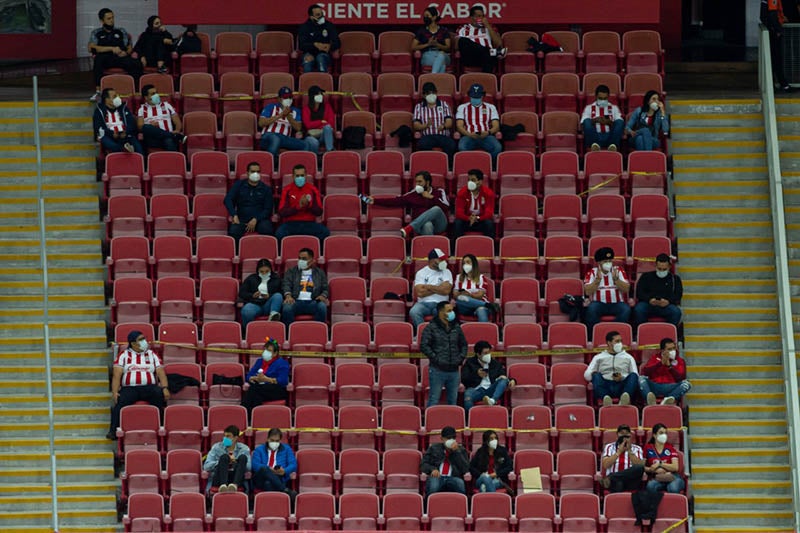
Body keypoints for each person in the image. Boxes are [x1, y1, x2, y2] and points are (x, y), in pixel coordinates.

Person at [108, 330, 169, 440]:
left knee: (158, 395)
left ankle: (161, 427)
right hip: (130, 389)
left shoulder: (151, 354)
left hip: (149, 388)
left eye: (143, 338)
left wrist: (165, 388)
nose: (144, 341)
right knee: (119, 404)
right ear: (133, 343)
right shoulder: (124, 355)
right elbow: (117, 375)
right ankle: (113, 431)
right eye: (140, 339)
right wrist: (115, 392)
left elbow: (161, 372)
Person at [364, 170, 450, 239]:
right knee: (427, 224)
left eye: (420, 182)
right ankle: (429, 253)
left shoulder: (439, 191)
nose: (417, 184)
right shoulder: (413, 194)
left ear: (427, 183)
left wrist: (431, 197)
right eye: (416, 182)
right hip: (421, 226)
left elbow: (446, 207)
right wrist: (375, 201)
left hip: (439, 224)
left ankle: (409, 228)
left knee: (436, 209)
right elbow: (396, 201)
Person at [88, 8, 142, 102]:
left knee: (136, 63)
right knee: (98, 60)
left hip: (120, 57)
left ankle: (135, 90)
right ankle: (98, 91)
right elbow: (91, 48)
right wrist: (111, 49)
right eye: (108, 18)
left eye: (112, 18)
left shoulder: (121, 31)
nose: (112, 20)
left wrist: (126, 52)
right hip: (105, 58)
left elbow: (129, 46)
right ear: (102, 20)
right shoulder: (96, 33)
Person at [421, 301, 468, 407]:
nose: (452, 313)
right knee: (434, 399)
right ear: (441, 312)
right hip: (437, 370)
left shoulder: (456, 327)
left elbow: (464, 344)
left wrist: (460, 358)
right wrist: (436, 359)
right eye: (449, 311)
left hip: (454, 370)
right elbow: (424, 346)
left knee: (453, 400)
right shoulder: (431, 328)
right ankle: (430, 422)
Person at [275, 164, 330, 242]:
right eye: (297, 176)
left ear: (305, 175)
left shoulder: (313, 189)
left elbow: (319, 211)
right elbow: (282, 212)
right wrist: (298, 207)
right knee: (279, 233)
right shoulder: (287, 190)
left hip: (309, 223)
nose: (300, 178)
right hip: (291, 224)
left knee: (325, 232)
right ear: (293, 176)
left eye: (302, 175)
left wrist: (308, 206)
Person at [584, 247, 631, 334]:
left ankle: (615, 332)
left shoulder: (619, 270)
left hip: (617, 303)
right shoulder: (592, 272)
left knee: (626, 309)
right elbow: (587, 291)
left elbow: (626, 289)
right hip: (598, 303)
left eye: (610, 261)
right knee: (591, 309)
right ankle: (597, 334)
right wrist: (597, 280)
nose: (608, 263)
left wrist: (616, 280)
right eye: (605, 261)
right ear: (598, 262)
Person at [584, 330, 638, 406]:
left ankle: (624, 399)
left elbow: (635, 375)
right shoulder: (599, 357)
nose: (620, 344)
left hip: (621, 385)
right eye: (617, 341)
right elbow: (586, 375)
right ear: (609, 343)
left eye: (621, 341)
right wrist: (592, 373)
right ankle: (606, 399)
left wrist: (622, 377)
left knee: (633, 376)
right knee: (596, 375)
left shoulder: (628, 357)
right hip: (605, 385)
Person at [224, 161, 274, 241]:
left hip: (260, 220)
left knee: (267, 229)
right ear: (247, 173)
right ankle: (237, 252)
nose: (255, 174)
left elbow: (268, 209)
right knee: (234, 231)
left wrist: (256, 219)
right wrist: (234, 215)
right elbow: (227, 199)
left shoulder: (266, 189)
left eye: (258, 171)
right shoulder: (239, 185)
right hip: (241, 219)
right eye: (253, 171)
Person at [455, 84, 502, 164]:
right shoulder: (462, 107)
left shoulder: (491, 107)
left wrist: (488, 132)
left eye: (477, 97)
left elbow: (496, 126)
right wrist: (469, 134)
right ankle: (471, 164)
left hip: (486, 135)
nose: (475, 99)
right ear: (470, 96)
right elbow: (459, 126)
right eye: (474, 97)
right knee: (461, 147)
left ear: (482, 96)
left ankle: (487, 164)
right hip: (468, 135)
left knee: (497, 148)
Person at [461, 340, 514, 411]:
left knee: (503, 380)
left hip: (491, 389)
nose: (488, 355)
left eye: (489, 352)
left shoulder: (495, 363)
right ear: (478, 354)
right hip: (476, 389)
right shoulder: (470, 363)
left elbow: (503, 375)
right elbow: (464, 378)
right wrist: (477, 374)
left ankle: (492, 400)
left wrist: (512, 380)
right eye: (485, 353)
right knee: (467, 396)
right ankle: (470, 419)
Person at [633, 253, 683, 327]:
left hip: (666, 305)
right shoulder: (646, 276)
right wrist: (649, 300)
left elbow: (678, 294)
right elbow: (639, 292)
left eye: (664, 269)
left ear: (669, 267)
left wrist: (668, 301)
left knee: (676, 312)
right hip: (648, 304)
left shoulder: (675, 279)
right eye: (659, 269)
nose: (662, 271)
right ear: (655, 265)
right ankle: (643, 331)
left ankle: (669, 332)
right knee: (639, 309)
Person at [259, 87, 311, 157]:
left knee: (305, 144)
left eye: (290, 97)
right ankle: (270, 164)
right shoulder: (270, 107)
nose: (288, 99)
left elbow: (298, 128)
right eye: (285, 97)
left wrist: (288, 115)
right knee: (275, 139)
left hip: (285, 138)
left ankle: (298, 165)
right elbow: (261, 123)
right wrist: (281, 115)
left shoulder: (296, 111)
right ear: (279, 99)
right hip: (268, 135)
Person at [281, 247, 329, 324]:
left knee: (322, 307)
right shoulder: (291, 271)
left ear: (312, 260)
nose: (301, 261)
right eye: (299, 258)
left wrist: (323, 296)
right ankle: (288, 333)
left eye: (304, 259)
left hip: (313, 301)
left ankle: (319, 332)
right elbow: (286, 284)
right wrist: (288, 295)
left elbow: (325, 288)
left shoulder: (320, 273)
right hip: (295, 301)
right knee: (287, 308)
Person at [242, 337, 289, 413]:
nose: (266, 352)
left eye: (269, 351)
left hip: (276, 390)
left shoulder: (282, 363)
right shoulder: (259, 361)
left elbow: (283, 381)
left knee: (254, 389)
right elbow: (249, 375)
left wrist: (266, 379)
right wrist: (253, 378)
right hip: (259, 389)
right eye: (265, 350)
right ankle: (252, 417)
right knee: (257, 396)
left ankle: (243, 411)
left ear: (275, 353)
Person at [410, 248, 454, 329]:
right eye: (441, 260)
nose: (444, 262)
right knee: (414, 311)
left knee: (443, 313)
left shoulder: (447, 272)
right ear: (433, 260)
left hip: (441, 303)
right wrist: (439, 287)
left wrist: (429, 287)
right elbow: (420, 293)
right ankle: (424, 333)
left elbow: (446, 291)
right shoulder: (421, 273)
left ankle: (438, 335)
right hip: (423, 303)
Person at [639, 338, 691, 406]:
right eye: (669, 349)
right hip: (655, 386)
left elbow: (681, 378)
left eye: (674, 348)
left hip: (671, 387)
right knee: (641, 378)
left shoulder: (680, 361)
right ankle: (650, 400)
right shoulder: (655, 358)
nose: (673, 351)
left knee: (686, 383)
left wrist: (670, 367)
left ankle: (668, 400)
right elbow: (646, 372)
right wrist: (660, 363)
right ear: (662, 350)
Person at [420, 425, 470, 496]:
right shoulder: (434, 448)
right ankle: (427, 505)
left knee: (460, 484)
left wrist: (456, 452)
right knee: (434, 487)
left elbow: (466, 468)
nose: (451, 440)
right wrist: (432, 469)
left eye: (453, 438)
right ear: (442, 438)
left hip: (453, 477)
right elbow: (423, 464)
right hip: (437, 476)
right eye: (448, 438)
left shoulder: (461, 450)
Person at [455, 4, 506, 73]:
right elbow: (456, 46)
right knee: (462, 40)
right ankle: (490, 51)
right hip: (470, 58)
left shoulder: (490, 28)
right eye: (478, 16)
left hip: (487, 58)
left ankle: (485, 79)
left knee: (489, 57)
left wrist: (487, 25)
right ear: (471, 17)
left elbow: (499, 44)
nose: (481, 19)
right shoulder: (463, 28)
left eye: (482, 16)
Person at [413, 82, 457, 160]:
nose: (431, 95)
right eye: (428, 93)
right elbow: (416, 125)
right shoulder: (419, 107)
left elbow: (449, 122)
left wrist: (444, 126)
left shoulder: (444, 105)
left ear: (436, 93)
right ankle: (429, 164)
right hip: (427, 136)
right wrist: (425, 125)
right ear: (424, 95)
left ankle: (448, 166)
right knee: (422, 144)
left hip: (443, 136)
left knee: (451, 145)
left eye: (433, 93)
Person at [93, 88, 142, 154]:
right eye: (115, 96)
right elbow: (98, 127)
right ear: (107, 100)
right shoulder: (99, 111)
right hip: (109, 136)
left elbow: (131, 123)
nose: (118, 98)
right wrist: (111, 133)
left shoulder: (124, 108)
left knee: (139, 148)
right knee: (107, 142)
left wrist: (126, 132)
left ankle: (135, 155)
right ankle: (124, 149)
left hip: (125, 135)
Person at [252, 428, 298, 499]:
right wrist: (270, 469)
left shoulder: (287, 449)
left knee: (268, 484)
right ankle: (285, 490)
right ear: (267, 439)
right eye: (272, 440)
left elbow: (293, 464)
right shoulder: (259, 449)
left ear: (280, 440)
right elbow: (255, 465)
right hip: (260, 478)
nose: (274, 443)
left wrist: (284, 471)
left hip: (279, 477)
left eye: (277, 441)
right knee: (264, 469)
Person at [137, 84, 185, 152]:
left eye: (156, 93)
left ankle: (174, 161)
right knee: (146, 127)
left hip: (167, 139)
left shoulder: (167, 105)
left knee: (168, 141)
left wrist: (177, 130)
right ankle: (174, 136)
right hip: (153, 140)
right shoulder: (142, 109)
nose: (156, 95)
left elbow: (178, 122)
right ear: (146, 97)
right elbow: (140, 127)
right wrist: (151, 126)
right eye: (153, 94)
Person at [203, 425, 251, 493]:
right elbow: (206, 466)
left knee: (243, 457)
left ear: (235, 438)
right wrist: (221, 462)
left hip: (235, 476)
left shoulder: (244, 448)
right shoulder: (216, 447)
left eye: (228, 436)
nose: (225, 438)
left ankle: (234, 485)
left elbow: (249, 467)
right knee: (224, 457)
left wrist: (235, 462)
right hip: (219, 477)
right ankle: (223, 485)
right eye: (224, 436)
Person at [600, 424, 645, 493]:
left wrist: (630, 451)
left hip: (630, 481)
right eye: (622, 433)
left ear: (630, 435)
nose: (624, 436)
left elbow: (639, 465)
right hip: (615, 482)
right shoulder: (609, 447)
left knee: (640, 468)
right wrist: (619, 452)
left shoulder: (637, 448)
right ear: (617, 435)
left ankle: (611, 477)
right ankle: (613, 478)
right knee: (619, 484)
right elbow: (605, 465)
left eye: (626, 433)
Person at [453, 168, 495, 240]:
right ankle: (456, 248)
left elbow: (489, 213)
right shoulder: (462, 193)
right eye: (469, 180)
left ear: (480, 182)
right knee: (458, 223)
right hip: (466, 220)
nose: (470, 183)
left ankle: (490, 247)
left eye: (473, 180)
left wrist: (477, 218)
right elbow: (458, 212)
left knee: (489, 223)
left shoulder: (488, 193)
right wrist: (468, 218)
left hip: (481, 220)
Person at [240, 259, 283, 327]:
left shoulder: (276, 278)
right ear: (258, 271)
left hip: (269, 304)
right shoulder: (251, 278)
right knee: (246, 311)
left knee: (278, 296)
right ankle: (248, 331)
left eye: (267, 271)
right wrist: (252, 295)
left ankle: (273, 316)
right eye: (261, 271)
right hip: (255, 304)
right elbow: (242, 293)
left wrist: (269, 296)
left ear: (270, 270)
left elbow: (282, 292)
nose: (264, 273)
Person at [298, 4, 340, 73]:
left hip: (324, 54)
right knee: (307, 62)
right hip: (309, 53)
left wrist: (329, 46)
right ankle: (307, 82)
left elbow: (337, 43)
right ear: (311, 17)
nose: (321, 17)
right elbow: (301, 45)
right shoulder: (304, 27)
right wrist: (315, 45)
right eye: (318, 15)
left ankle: (323, 82)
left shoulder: (329, 25)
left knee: (320, 58)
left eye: (322, 14)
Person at [581, 84, 624, 152]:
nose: (603, 101)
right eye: (600, 98)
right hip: (595, 136)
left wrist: (609, 122)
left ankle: (612, 146)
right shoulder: (589, 108)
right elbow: (584, 124)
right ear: (596, 96)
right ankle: (594, 145)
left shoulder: (614, 108)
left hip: (610, 136)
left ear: (608, 97)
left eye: (605, 98)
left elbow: (620, 124)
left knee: (620, 122)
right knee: (586, 121)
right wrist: (595, 120)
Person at [644, 423, 685, 494]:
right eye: (661, 433)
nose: (664, 435)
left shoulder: (670, 448)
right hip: (657, 477)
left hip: (672, 476)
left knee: (673, 488)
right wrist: (651, 470)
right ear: (654, 435)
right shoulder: (647, 448)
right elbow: (642, 467)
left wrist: (660, 464)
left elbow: (675, 467)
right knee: (650, 486)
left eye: (665, 433)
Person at [762, 0, 793, 92]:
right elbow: (772, 14)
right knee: (776, 59)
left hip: (771, 31)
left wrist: (782, 18)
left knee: (774, 59)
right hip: (774, 33)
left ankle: (779, 84)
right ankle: (782, 85)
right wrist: (778, 30)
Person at [453, 254, 493, 323]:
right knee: (461, 298)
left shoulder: (481, 277)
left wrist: (469, 295)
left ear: (474, 264)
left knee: (481, 310)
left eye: (468, 262)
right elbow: (455, 295)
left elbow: (480, 295)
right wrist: (463, 294)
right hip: (464, 307)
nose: (465, 265)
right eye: (464, 263)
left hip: (479, 304)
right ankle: (488, 305)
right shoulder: (458, 277)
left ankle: (484, 333)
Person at [412, 6, 451, 74]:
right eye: (424, 16)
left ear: (434, 17)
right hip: (428, 55)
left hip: (443, 55)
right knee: (442, 65)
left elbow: (448, 48)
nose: (425, 18)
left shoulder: (444, 30)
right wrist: (428, 44)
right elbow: (413, 47)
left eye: (427, 15)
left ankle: (433, 75)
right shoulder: (421, 31)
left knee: (441, 55)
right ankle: (436, 78)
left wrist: (437, 44)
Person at [302, 85, 335, 155]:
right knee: (314, 142)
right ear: (312, 96)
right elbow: (308, 125)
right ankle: (317, 159)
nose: (320, 96)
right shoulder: (306, 109)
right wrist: (321, 122)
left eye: (321, 94)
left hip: (323, 135)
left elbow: (331, 123)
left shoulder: (327, 106)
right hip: (311, 135)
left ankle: (330, 152)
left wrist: (316, 125)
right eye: (318, 94)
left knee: (328, 128)